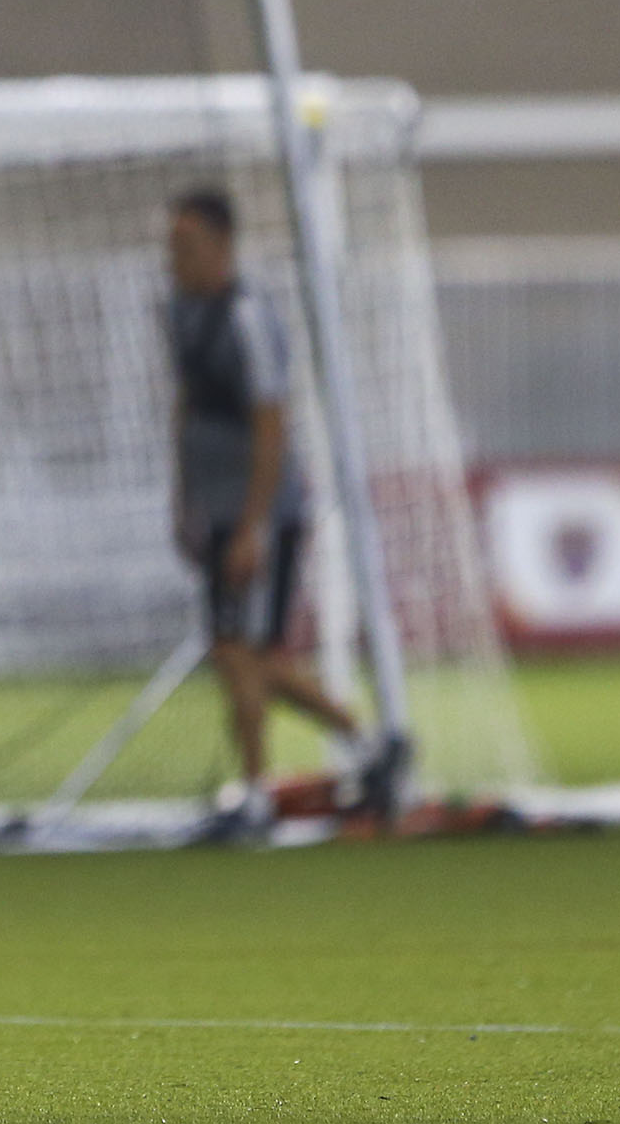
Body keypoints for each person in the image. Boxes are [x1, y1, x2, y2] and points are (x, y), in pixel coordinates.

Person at [163, 188, 387, 836]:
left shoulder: (247, 318)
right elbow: (184, 406)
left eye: (187, 245)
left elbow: (270, 426)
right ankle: (364, 740)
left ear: (222, 246)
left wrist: (253, 525)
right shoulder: (182, 312)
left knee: (241, 652)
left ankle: (257, 792)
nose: (175, 259)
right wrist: (182, 500)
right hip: (217, 508)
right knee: (242, 653)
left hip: (262, 512)